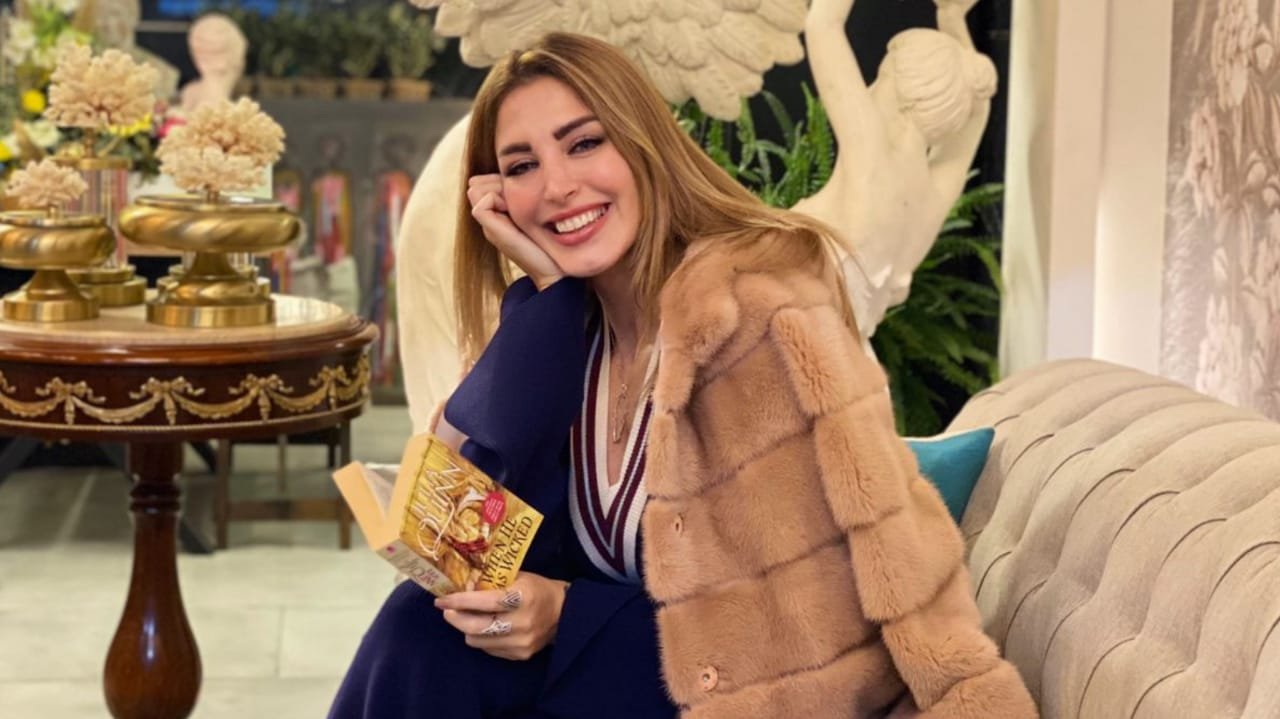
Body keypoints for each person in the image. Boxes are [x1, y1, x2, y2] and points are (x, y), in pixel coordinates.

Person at [330, 32, 1036, 719]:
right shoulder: (572, 331)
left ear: (643, 144)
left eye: (584, 143)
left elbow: (811, 617)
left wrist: (570, 614)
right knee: (421, 628)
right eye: (521, 166)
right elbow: (460, 533)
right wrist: (543, 303)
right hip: (627, 671)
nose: (558, 186)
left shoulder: (759, 317)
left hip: (754, 685)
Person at [796, 0, 997, 345]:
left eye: (882, 74)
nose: (870, 86)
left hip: (785, 340)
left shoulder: (870, 153)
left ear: (899, 88)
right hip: (849, 356)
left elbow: (823, 26)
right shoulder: (930, 199)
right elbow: (977, 112)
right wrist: (951, 19)